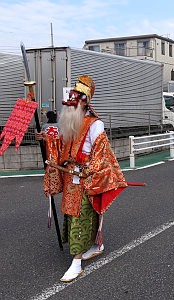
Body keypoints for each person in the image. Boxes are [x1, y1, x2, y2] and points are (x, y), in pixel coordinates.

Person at [39, 75, 127, 282]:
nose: (70, 105)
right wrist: (49, 141)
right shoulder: (71, 123)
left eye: (74, 100)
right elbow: (62, 146)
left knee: (80, 218)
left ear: (85, 101)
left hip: (86, 178)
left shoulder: (95, 124)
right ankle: (98, 245)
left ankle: (76, 263)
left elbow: (102, 154)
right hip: (71, 178)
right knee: (76, 216)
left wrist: (88, 168)